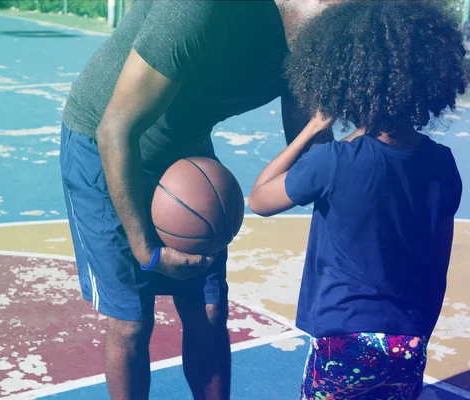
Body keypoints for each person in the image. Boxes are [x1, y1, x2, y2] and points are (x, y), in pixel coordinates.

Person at [59, 0, 335, 398]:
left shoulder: (313, 44)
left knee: (209, 312)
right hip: (105, 140)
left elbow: (311, 144)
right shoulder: (197, 8)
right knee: (132, 321)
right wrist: (147, 251)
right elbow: (115, 129)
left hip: (185, 146)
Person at [248, 1, 467, 399]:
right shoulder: (441, 163)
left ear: (343, 78)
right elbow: (440, 262)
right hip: (409, 337)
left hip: (344, 336)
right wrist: (421, 329)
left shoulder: (331, 161)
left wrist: (311, 128)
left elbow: (259, 198)